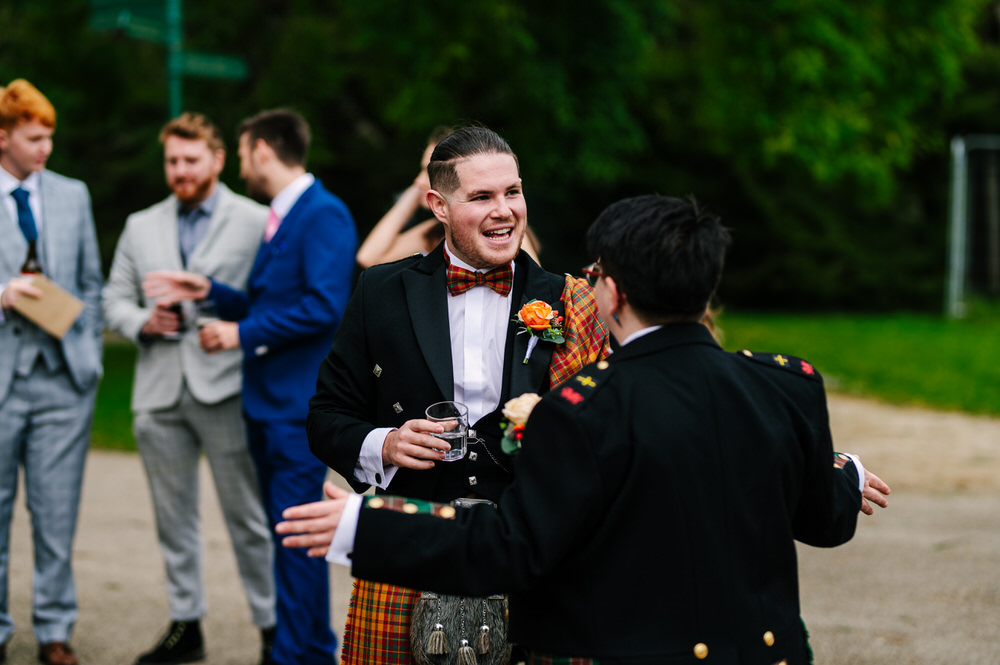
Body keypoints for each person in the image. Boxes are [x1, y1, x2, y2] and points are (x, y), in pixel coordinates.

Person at [279, 194, 893, 665]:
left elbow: (514, 544)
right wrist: (847, 474)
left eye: (596, 275)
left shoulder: (583, 410)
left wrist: (365, 526)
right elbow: (823, 517)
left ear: (614, 294)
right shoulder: (787, 387)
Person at [305, 125, 610, 664]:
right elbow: (327, 415)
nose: (504, 210)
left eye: (512, 192)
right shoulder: (381, 291)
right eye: (482, 197)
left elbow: (607, 432)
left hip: (534, 545)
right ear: (438, 205)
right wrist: (385, 443)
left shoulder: (566, 300)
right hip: (409, 536)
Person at [143, 108, 358, 665]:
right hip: (266, 405)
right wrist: (211, 289)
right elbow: (275, 301)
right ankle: (311, 650)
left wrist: (241, 333)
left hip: (293, 408)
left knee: (293, 542)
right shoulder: (283, 214)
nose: (241, 165)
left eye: (241, 153)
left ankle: (293, 656)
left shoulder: (323, 214)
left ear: (263, 150)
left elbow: (323, 306)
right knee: (292, 541)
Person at [102, 112, 276, 665]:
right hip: (157, 391)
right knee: (172, 518)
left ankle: (273, 627)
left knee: (246, 516)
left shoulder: (255, 219)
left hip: (225, 387)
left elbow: (269, 302)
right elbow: (113, 301)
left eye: (190, 160)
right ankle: (186, 626)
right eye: (172, 161)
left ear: (218, 160)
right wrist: (140, 323)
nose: (180, 170)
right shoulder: (140, 224)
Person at [0, 79, 103, 665]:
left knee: (57, 512)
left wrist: (87, 354)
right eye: (34, 138)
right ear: (3, 138)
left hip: (64, 380)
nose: (46, 148)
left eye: (51, 137)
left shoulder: (72, 194)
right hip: (2, 378)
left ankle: (55, 631)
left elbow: (90, 280)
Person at [355, 126, 541, 268]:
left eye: (427, 171)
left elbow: (537, 289)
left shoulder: (504, 226)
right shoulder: (435, 232)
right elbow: (369, 258)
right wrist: (418, 190)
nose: (418, 180)